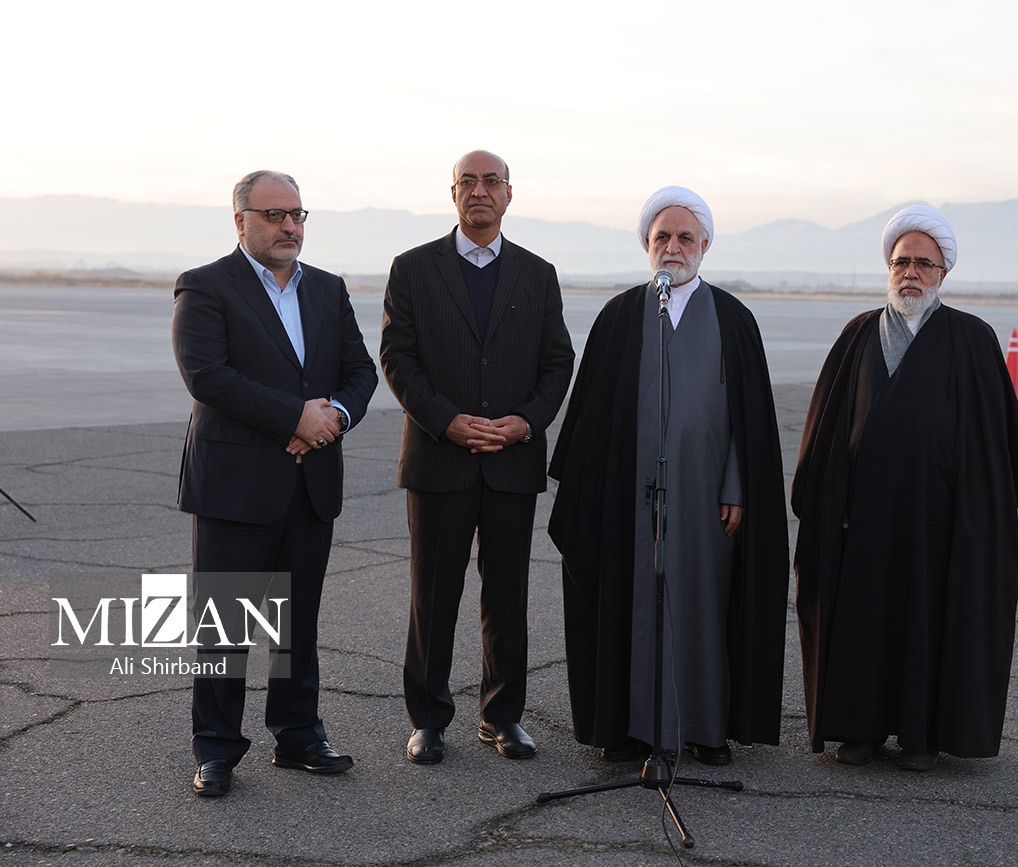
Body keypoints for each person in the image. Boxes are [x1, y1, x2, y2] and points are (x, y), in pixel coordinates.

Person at [792, 205, 1018, 771]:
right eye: (901, 262)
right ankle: (858, 730)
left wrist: (975, 514)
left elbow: (994, 440)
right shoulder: (858, 334)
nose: (910, 273)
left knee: (929, 624)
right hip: (862, 517)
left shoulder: (972, 338)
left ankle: (921, 737)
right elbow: (826, 428)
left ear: (943, 272)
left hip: (938, 518)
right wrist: (831, 500)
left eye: (923, 264)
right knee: (862, 620)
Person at [547, 186, 788, 767]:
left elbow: (749, 422)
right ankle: (628, 728)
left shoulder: (734, 319)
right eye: (662, 237)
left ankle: (705, 727)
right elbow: (591, 419)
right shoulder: (619, 316)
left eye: (684, 237)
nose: (673, 247)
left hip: (707, 499)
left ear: (704, 244)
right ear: (646, 245)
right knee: (628, 606)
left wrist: (737, 487)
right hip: (627, 499)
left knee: (703, 605)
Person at [173, 170, 378, 797]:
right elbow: (207, 375)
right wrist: (295, 417)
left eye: (297, 214)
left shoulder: (328, 288)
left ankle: (297, 735)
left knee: (298, 624)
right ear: (240, 221)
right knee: (225, 624)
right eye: (274, 215)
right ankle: (216, 749)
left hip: (310, 482)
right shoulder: (205, 285)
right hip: (235, 484)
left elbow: (360, 372)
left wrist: (331, 417)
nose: (289, 226)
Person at [380, 150, 574, 764]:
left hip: (512, 462)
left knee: (508, 596)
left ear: (509, 194)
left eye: (492, 181)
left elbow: (557, 362)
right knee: (433, 596)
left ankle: (503, 716)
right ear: (454, 193)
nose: (480, 191)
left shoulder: (538, 274)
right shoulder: (413, 268)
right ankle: (428, 720)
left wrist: (526, 422)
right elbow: (398, 358)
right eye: (468, 181)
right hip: (439, 459)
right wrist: (447, 421)